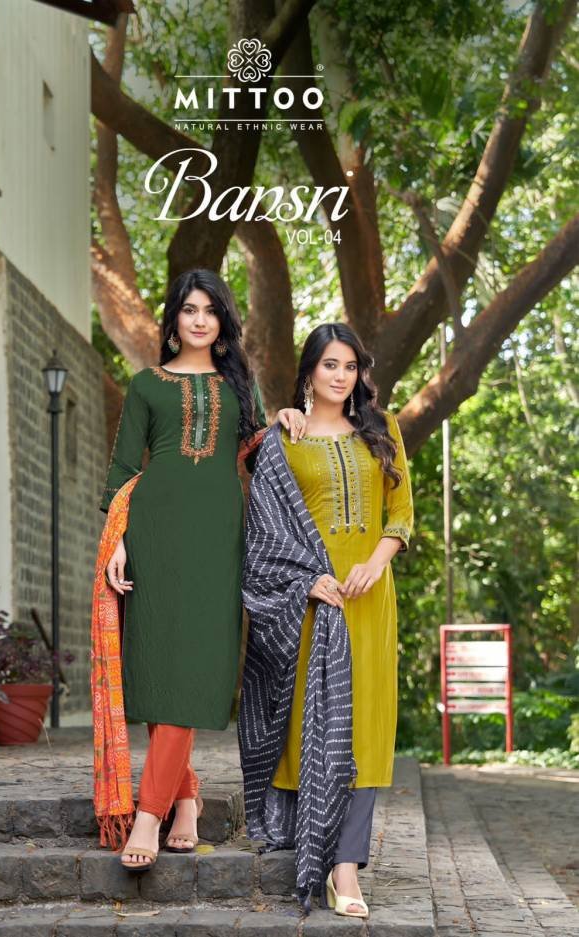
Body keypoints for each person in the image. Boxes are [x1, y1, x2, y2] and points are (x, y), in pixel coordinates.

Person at [91, 268, 306, 871]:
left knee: (192, 668)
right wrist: (118, 541)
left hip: (217, 540)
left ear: (223, 321)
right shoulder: (145, 385)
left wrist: (283, 423)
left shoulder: (238, 386)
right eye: (189, 309)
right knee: (161, 668)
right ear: (174, 319)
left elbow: (256, 453)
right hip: (153, 534)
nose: (200, 320)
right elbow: (122, 470)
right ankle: (181, 802)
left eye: (211, 310)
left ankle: (150, 813)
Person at [238, 322, 413, 917]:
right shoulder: (285, 438)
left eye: (350, 366)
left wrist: (374, 564)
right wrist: (305, 581)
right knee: (310, 722)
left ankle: (345, 869)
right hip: (313, 600)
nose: (341, 376)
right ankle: (307, 839)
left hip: (369, 598)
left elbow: (401, 515)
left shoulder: (382, 431)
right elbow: (264, 533)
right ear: (309, 371)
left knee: (366, 727)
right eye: (329, 365)